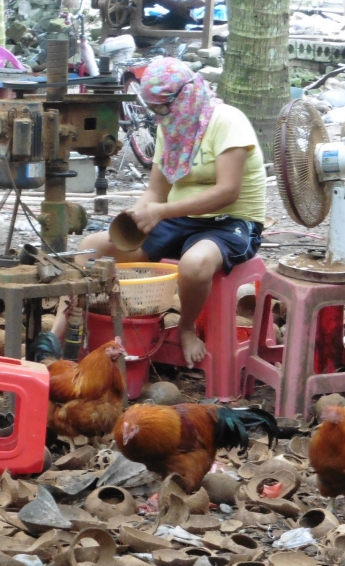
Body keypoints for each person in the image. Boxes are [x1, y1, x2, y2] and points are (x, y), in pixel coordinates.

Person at [54, 57, 267, 367]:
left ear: (185, 95)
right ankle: (57, 337)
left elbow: (227, 192)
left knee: (194, 264)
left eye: (162, 108)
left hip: (230, 222)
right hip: (177, 218)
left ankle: (185, 327)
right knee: (91, 249)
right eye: (154, 110)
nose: (159, 117)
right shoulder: (173, 125)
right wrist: (138, 215)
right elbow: (156, 191)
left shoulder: (227, 121)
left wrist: (161, 212)